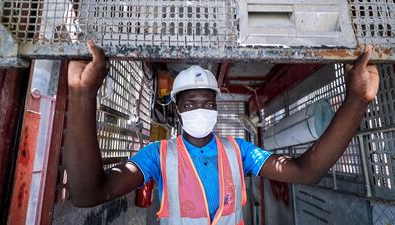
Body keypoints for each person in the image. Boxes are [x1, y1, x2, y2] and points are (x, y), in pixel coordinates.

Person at [65, 40, 379, 224]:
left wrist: (356, 100)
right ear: (177, 110)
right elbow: (87, 194)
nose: (200, 109)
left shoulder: (239, 151)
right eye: (190, 103)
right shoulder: (156, 155)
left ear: (216, 108)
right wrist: (83, 94)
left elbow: (305, 171)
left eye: (207, 102)